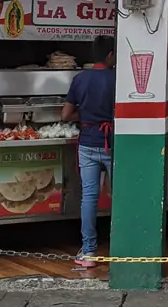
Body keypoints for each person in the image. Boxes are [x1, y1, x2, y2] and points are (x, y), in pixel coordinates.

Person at [62, 36, 116, 269]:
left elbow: (65, 115)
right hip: (114, 143)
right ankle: (123, 248)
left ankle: (89, 251)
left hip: (87, 142)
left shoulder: (80, 79)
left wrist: (84, 117)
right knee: (121, 197)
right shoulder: (118, 79)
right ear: (110, 55)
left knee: (89, 198)